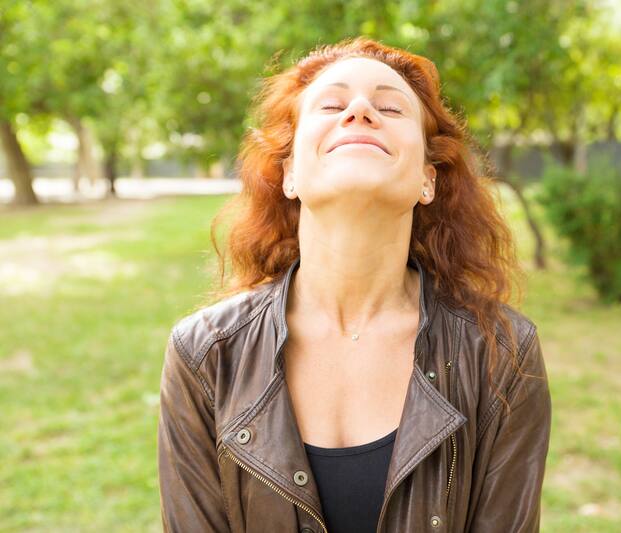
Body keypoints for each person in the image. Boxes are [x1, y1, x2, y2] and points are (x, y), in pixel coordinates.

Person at [157, 36, 551, 533]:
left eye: (390, 106)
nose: (361, 110)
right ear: (290, 173)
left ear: (428, 180)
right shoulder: (205, 354)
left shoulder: (502, 353)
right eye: (333, 104)